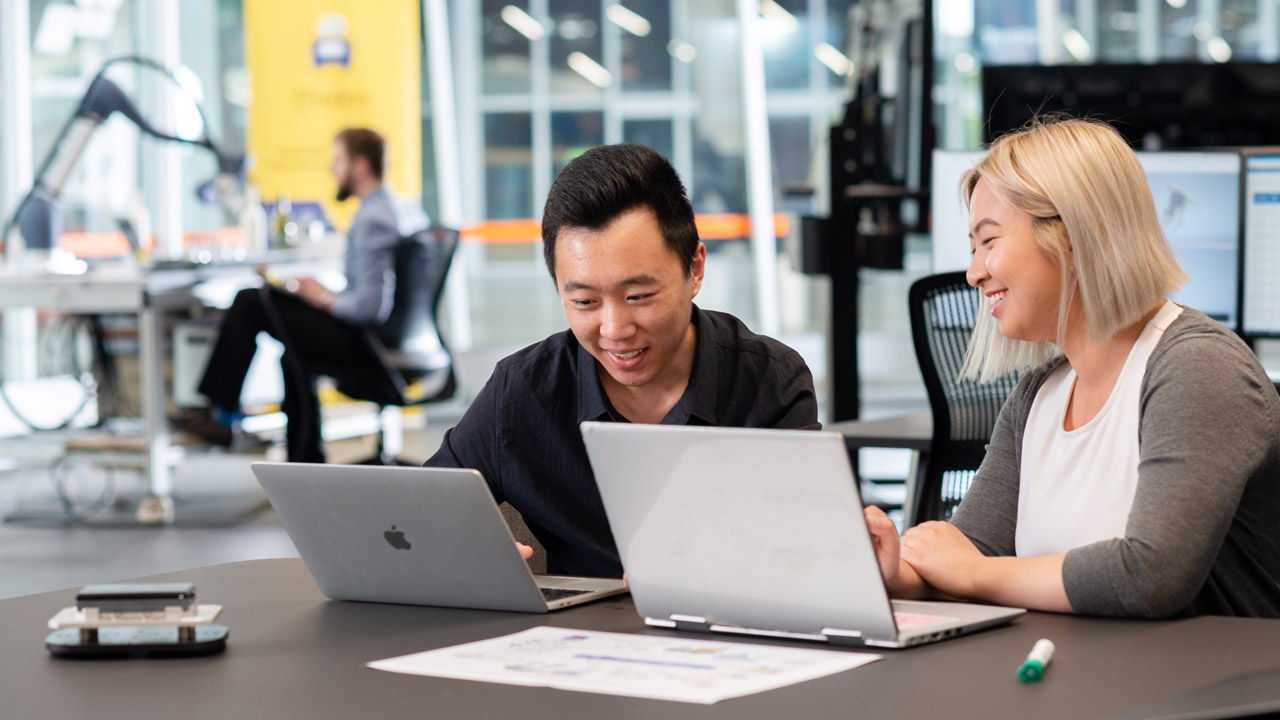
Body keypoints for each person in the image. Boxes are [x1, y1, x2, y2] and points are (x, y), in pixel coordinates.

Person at [864, 116, 1280, 618]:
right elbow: (971, 556)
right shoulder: (1039, 393)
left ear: (1073, 235)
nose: (973, 273)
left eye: (989, 240)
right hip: (1087, 682)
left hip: (1214, 692)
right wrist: (900, 574)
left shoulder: (1198, 368)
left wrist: (971, 572)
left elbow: (1149, 576)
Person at [425, 143, 819, 578]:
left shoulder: (767, 379)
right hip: (573, 638)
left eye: (638, 297)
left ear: (696, 269)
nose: (614, 329)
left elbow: (804, 550)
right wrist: (464, 552)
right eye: (584, 301)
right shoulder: (523, 390)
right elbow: (421, 510)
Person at [185, 127, 428, 463]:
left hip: (371, 345)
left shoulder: (373, 218)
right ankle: (304, 461)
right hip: (397, 340)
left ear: (359, 166)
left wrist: (325, 298)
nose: (331, 169)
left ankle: (222, 415)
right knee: (294, 352)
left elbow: (370, 308)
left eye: (338, 160)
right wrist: (321, 293)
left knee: (253, 300)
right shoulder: (403, 209)